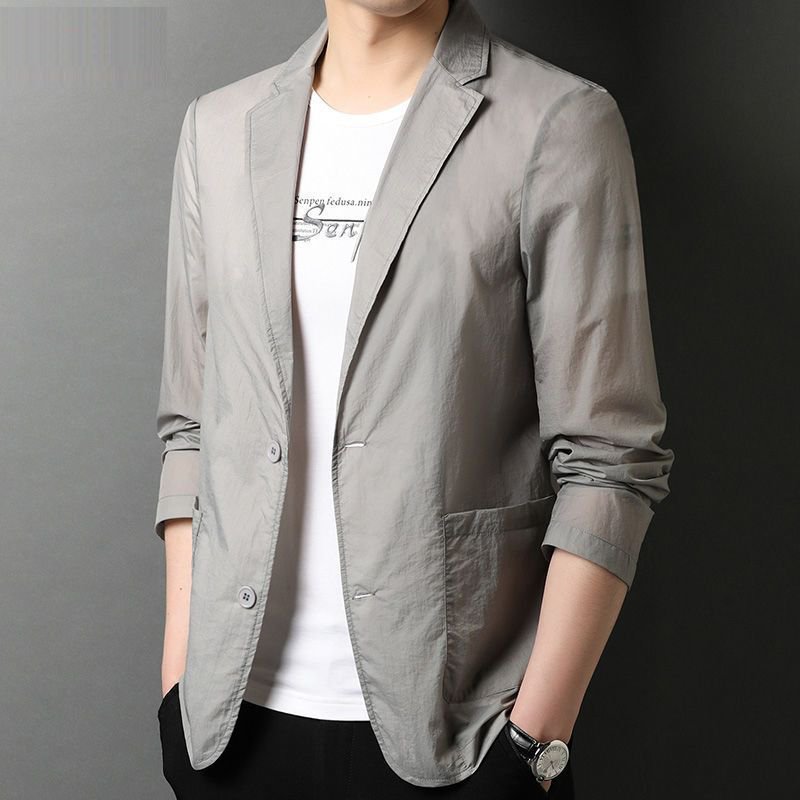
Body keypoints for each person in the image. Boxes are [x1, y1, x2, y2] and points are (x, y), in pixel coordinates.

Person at [154, 0, 675, 797]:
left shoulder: (557, 123)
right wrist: (178, 689)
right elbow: (192, 427)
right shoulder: (218, 130)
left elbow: (611, 460)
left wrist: (533, 744)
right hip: (231, 730)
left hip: (459, 737)